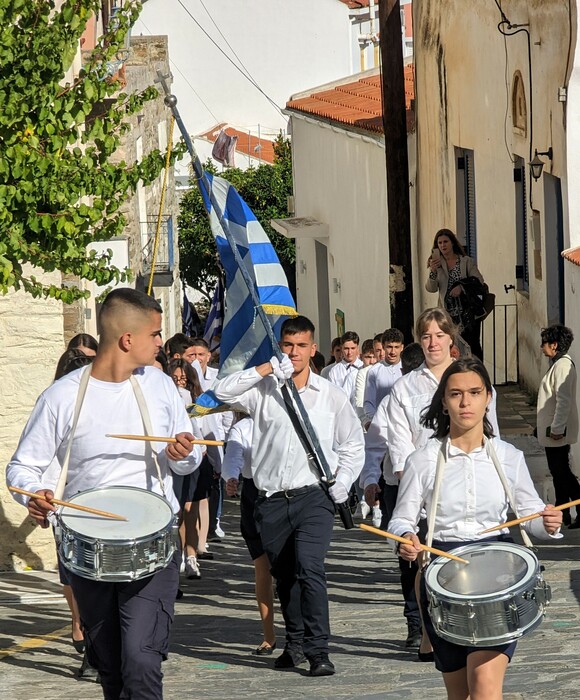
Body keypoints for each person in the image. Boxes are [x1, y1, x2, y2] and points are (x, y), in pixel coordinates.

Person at [6, 288, 203, 700]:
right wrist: (35, 497)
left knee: (143, 660)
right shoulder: (61, 396)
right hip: (87, 550)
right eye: (155, 334)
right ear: (127, 340)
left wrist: (183, 454)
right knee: (109, 667)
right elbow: (22, 468)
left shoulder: (162, 387)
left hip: (153, 546)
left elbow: (191, 457)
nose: (160, 343)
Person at [389, 358, 562, 699]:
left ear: (488, 399)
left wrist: (547, 522)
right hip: (442, 573)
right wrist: (406, 539)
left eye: (474, 393)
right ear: (444, 401)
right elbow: (402, 519)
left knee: (484, 685)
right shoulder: (423, 459)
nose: (465, 402)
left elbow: (530, 518)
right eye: (455, 394)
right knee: (459, 693)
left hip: (499, 574)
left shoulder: (508, 456)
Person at [212, 315, 364, 677]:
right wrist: (264, 368)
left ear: (313, 349)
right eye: (287, 345)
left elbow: (352, 445)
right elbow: (221, 392)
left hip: (313, 496)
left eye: (301, 346)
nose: (294, 353)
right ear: (279, 347)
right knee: (285, 576)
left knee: (310, 568)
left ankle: (319, 649)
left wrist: (344, 480)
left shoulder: (331, 396)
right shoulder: (263, 389)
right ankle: (294, 642)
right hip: (271, 499)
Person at [360, 342, 425, 649]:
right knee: (408, 558)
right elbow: (376, 445)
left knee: (437, 555)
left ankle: (439, 621)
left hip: (437, 486)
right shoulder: (395, 398)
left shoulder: (449, 394)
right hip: (397, 486)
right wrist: (371, 480)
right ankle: (416, 623)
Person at [223, 414, 277, 655]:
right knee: (262, 567)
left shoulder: (285, 416)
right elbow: (233, 455)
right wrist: (231, 477)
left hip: (288, 492)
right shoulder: (243, 427)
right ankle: (269, 635)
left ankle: (301, 634)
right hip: (254, 495)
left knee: (293, 568)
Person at [536, 324, 580, 528]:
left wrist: (556, 428)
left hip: (557, 431)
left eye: (544, 343)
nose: (541, 347)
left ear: (554, 345)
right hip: (554, 429)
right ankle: (563, 512)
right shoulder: (558, 364)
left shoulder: (562, 365)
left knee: (561, 471)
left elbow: (564, 401)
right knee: (558, 471)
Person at [167, 358, 207, 580]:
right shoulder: (169, 395)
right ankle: (177, 556)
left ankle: (191, 556)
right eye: (175, 378)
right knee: (178, 510)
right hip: (174, 460)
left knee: (191, 509)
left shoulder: (195, 399)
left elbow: (200, 429)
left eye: (183, 378)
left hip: (195, 458)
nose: (180, 383)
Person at [426, 228, 486, 360]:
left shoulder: (466, 262)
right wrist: (433, 271)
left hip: (468, 312)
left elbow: (479, 281)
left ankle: (477, 372)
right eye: (439, 243)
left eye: (445, 242)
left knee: (472, 344)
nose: (443, 245)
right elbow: (431, 288)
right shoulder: (437, 264)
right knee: (451, 345)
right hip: (448, 313)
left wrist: (462, 287)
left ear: (452, 243)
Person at [363, 328, 405, 423]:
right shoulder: (374, 371)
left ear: (402, 347)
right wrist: (376, 421)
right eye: (389, 347)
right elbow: (369, 402)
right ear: (383, 346)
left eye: (396, 347)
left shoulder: (408, 370)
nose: (393, 352)